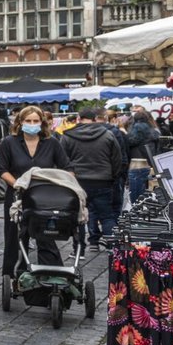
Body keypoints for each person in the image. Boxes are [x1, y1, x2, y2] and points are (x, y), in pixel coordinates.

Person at [0, 105, 70, 278]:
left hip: (44, 198)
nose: (32, 124)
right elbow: (2, 169)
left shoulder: (52, 143)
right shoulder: (9, 143)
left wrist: (65, 184)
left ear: (41, 123)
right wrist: (18, 184)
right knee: (15, 238)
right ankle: (14, 276)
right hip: (17, 197)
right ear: (20, 122)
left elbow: (67, 167)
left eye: (35, 121)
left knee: (46, 236)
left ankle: (52, 275)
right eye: (28, 121)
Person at [61, 106, 125, 249]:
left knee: (79, 217)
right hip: (103, 181)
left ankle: (79, 250)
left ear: (78, 118)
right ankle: (113, 249)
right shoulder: (108, 134)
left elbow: (63, 161)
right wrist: (112, 176)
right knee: (107, 216)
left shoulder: (68, 136)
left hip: (78, 182)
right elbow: (117, 159)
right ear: (95, 119)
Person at [126, 109, 160, 203]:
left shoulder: (135, 129)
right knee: (149, 192)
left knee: (136, 197)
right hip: (150, 163)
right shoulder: (153, 130)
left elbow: (130, 142)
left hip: (137, 164)